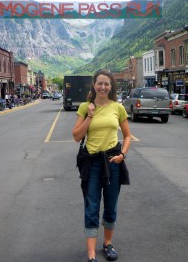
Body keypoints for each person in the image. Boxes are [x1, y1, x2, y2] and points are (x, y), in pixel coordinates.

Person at [72, 69, 131, 262]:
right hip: (92, 163)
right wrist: (89, 116)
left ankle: (107, 244)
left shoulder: (118, 108)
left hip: (113, 161)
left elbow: (128, 136)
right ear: (94, 85)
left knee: (111, 206)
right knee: (92, 206)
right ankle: (91, 254)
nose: (103, 87)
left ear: (111, 86)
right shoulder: (84, 107)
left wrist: (123, 154)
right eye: (100, 83)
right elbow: (76, 136)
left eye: (107, 84)